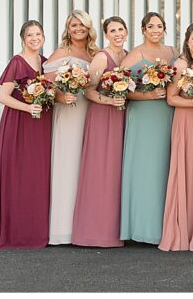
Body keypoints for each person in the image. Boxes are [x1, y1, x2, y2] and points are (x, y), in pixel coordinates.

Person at [0, 20, 52, 248]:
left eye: (38, 34)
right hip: (19, 124)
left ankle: (36, 229)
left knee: (38, 176)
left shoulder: (46, 63)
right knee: (19, 174)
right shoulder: (17, 62)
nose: (35, 38)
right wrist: (28, 108)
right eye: (30, 35)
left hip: (41, 126)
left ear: (43, 37)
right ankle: (16, 231)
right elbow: (3, 97)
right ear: (23, 39)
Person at [71, 16, 129, 248]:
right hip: (103, 118)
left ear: (126, 31)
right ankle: (94, 231)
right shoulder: (101, 58)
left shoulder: (127, 56)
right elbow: (88, 91)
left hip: (122, 117)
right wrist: (109, 101)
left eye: (121, 29)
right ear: (106, 34)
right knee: (101, 170)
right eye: (113, 30)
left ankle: (117, 228)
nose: (117, 34)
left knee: (117, 171)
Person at [119, 11, 176, 244]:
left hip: (167, 115)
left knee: (164, 167)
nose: (155, 30)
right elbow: (118, 88)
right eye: (150, 26)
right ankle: (140, 227)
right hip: (143, 117)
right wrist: (149, 94)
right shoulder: (135, 54)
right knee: (144, 169)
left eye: (159, 26)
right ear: (143, 30)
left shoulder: (173, 53)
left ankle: (166, 227)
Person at [45, 10, 99, 245]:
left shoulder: (94, 53)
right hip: (69, 112)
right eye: (73, 25)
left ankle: (84, 225)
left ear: (89, 28)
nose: (78, 28)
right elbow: (45, 83)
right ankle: (62, 229)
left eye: (82, 25)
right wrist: (60, 96)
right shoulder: (62, 53)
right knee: (67, 164)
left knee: (86, 168)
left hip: (91, 110)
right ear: (67, 28)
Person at [159, 22, 193, 252]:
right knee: (187, 171)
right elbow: (171, 98)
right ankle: (183, 229)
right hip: (186, 120)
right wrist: (192, 102)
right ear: (187, 41)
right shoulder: (181, 64)